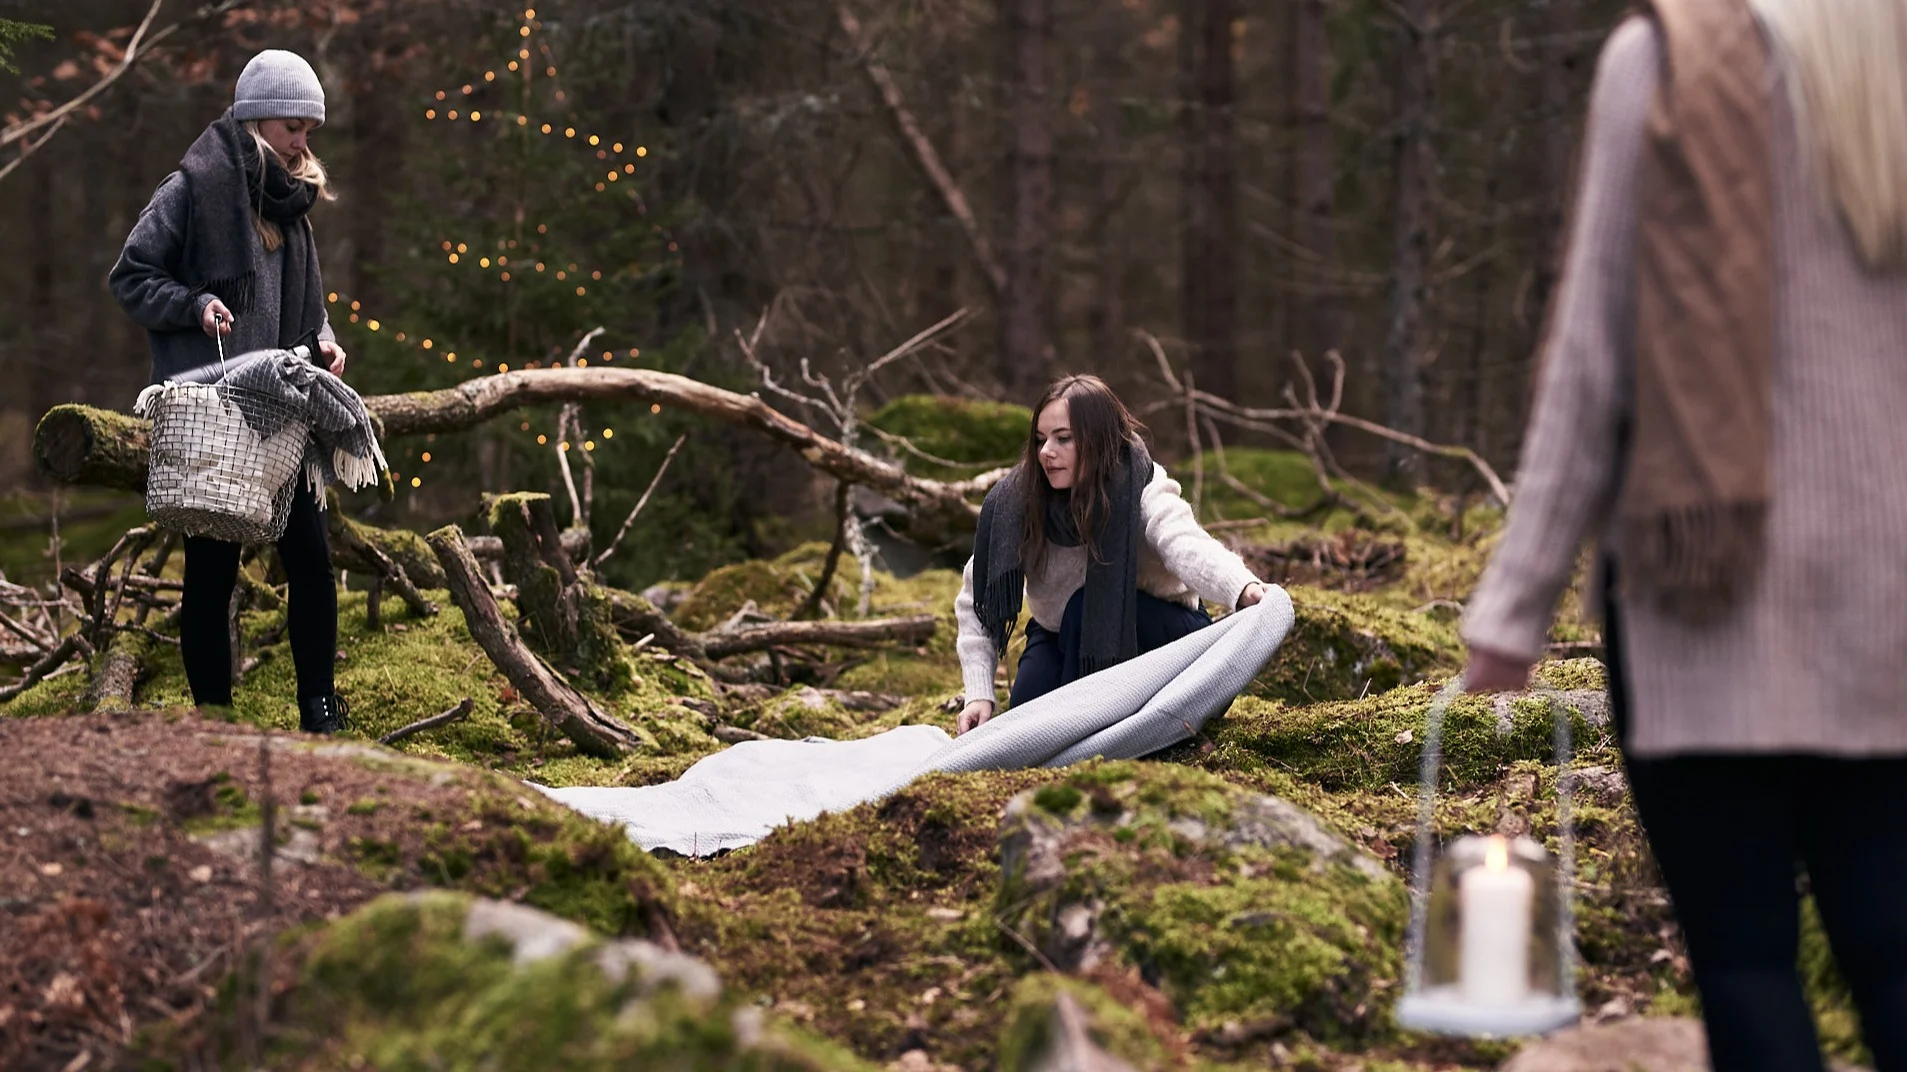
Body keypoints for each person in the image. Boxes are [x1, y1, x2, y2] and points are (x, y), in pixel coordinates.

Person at [1460, 1, 1907, 1068]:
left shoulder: (1660, 63)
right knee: (1893, 953)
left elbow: (1590, 364)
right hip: (1888, 587)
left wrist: (1510, 613)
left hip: (1700, 588)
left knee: (1743, 958)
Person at [109, 49, 353, 734]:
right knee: (210, 576)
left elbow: (308, 307)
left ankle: (321, 716)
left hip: (281, 412)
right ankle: (213, 726)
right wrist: (193, 304)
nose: (303, 143)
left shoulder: (292, 203)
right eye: (291, 127)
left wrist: (325, 339)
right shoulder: (192, 188)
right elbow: (130, 276)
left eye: (310, 129)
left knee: (310, 560)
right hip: (214, 415)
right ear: (253, 121)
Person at [952, 374, 1271, 735]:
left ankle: (1102, 730)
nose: (1045, 452)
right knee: (1025, 722)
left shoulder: (1141, 486)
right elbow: (976, 597)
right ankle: (1075, 720)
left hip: (1158, 632)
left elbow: (1185, 544)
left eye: (1063, 439)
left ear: (1096, 440)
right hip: (1058, 634)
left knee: (1081, 611)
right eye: (1040, 440)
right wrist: (979, 694)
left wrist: (1240, 587)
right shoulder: (1018, 502)